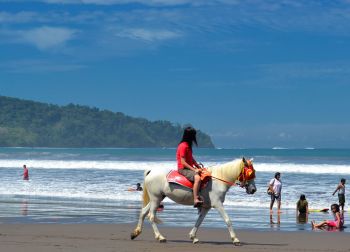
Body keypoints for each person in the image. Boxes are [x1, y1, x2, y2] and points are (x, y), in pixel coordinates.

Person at [176, 126, 203, 207]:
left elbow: (191, 158)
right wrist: (194, 170)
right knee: (197, 178)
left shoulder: (188, 145)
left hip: (188, 168)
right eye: (193, 135)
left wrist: (197, 166)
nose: (195, 137)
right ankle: (195, 199)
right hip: (183, 169)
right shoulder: (183, 146)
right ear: (190, 136)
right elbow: (183, 162)